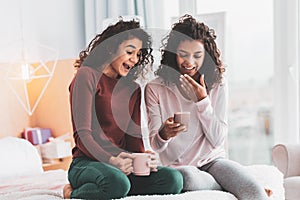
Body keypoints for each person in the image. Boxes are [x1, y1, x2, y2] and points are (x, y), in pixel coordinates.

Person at [144, 14, 272, 200]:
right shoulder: (155, 88)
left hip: (213, 162)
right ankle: (225, 187)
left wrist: (202, 101)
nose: (190, 62)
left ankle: (231, 184)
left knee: (254, 191)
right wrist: (165, 133)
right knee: (186, 178)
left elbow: (218, 138)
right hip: (180, 166)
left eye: (197, 55)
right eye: (183, 54)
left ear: (206, 56)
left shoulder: (217, 83)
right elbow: (155, 145)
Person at [63, 18, 183, 200]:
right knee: (117, 182)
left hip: (121, 166)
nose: (134, 60)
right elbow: (82, 136)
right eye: (129, 52)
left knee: (173, 179)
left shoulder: (133, 88)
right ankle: (72, 193)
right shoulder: (86, 76)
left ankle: (120, 188)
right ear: (111, 48)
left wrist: (145, 157)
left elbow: (133, 141)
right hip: (86, 163)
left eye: (138, 55)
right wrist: (111, 160)